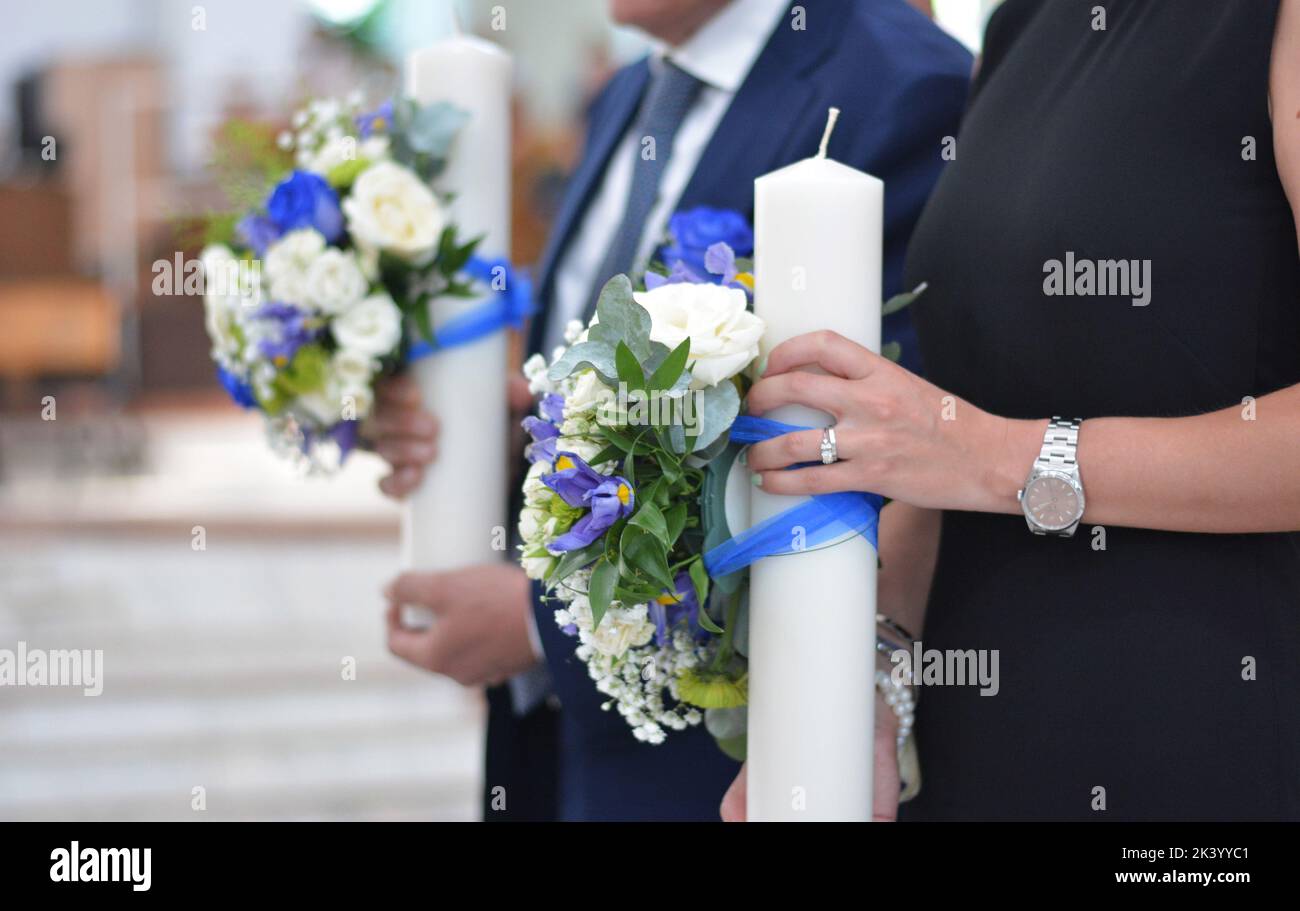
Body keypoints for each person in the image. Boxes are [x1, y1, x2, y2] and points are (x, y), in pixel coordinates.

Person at [374, 0, 972, 820]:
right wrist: (478, 423)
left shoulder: (905, 87)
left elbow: (874, 471)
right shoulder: (630, 92)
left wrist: (534, 622)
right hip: (564, 759)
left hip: (728, 768)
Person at [723, 0, 1300, 821]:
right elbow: (948, 428)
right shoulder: (1020, 24)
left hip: (1209, 718)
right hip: (984, 721)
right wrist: (867, 686)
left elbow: (971, 448)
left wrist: (1002, 457)